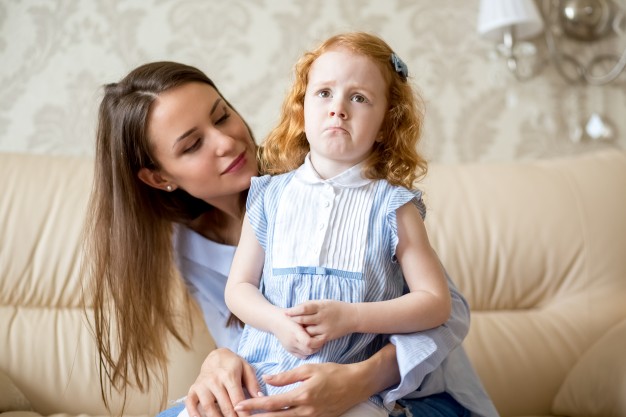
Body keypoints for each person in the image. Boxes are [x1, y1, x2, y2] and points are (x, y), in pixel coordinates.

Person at [85, 57, 499, 417]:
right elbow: (259, 339)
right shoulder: (188, 247)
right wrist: (221, 360)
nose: (227, 142)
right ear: (158, 177)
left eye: (221, 115)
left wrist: (359, 379)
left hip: (416, 391)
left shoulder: (325, 178)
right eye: (193, 144)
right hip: (292, 385)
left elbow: (450, 312)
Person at [222, 32, 451, 417]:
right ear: (302, 108)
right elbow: (239, 288)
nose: (338, 109)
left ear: (384, 125)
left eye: (359, 98)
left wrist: (353, 317)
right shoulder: (268, 196)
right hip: (261, 377)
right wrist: (277, 322)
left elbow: (435, 303)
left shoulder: (393, 206)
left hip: (349, 390)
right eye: (324, 93)